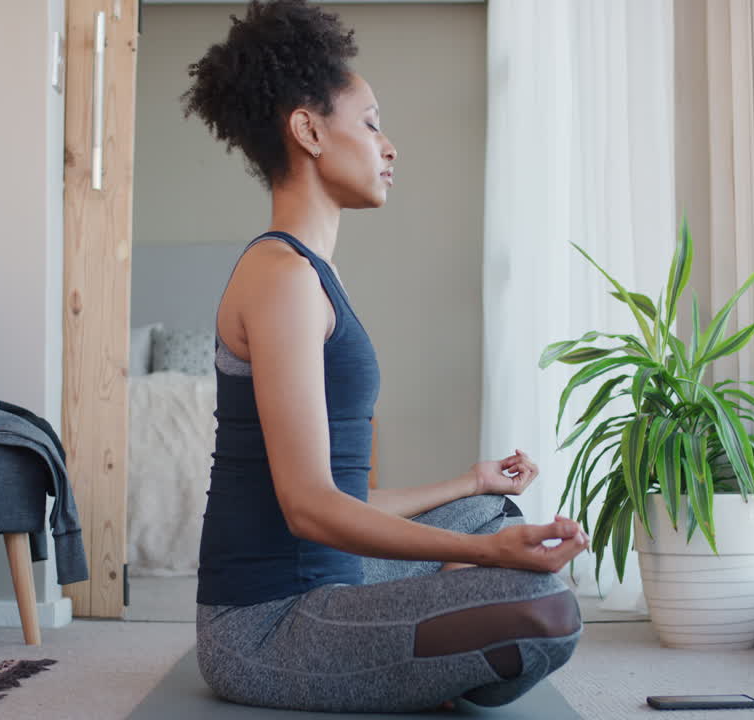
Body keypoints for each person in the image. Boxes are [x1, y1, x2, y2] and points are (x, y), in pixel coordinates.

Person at [182, 0, 589, 712]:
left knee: (494, 512)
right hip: (265, 628)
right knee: (544, 606)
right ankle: (414, 651)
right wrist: (493, 562)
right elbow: (308, 508)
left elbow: (341, 497)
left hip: (331, 576)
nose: (389, 146)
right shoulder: (280, 280)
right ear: (308, 130)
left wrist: (468, 482)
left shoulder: (307, 274)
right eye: (370, 124)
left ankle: (416, 647)